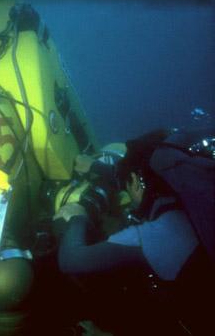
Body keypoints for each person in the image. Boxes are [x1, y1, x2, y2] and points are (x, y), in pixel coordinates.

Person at [54, 129, 215, 335]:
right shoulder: (190, 200)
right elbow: (144, 177)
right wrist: (97, 167)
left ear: (138, 182)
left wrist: (78, 217)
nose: (128, 194)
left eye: (127, 186)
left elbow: (70, 260)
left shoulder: (154, 235)